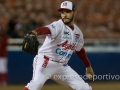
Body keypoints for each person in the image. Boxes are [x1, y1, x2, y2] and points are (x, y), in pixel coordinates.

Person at [23, 1, 94, 90]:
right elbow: (46, 29)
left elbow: (79, 50)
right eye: (62, 12)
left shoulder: (78, 33)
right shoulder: (58, 25)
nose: (64, 15)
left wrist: (88, 66)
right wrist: (35, 32)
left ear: (74, 13)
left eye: (68, 12)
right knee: (36, 84)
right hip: (45, 62)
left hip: (62, 66)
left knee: (84, 88)